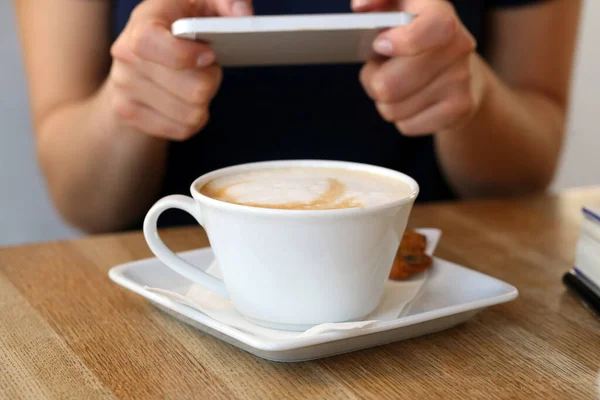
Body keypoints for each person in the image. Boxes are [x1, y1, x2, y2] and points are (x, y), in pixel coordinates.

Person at [14, 0, 581, 233]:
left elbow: (529, 166)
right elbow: (80, 197)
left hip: (433, 278)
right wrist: (130, 103)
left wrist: (468, 92)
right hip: (178, 295)